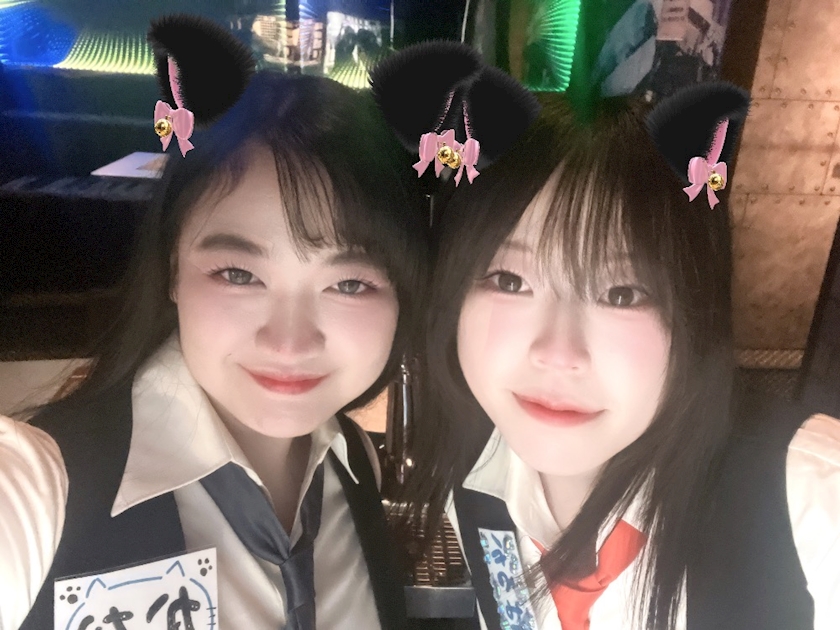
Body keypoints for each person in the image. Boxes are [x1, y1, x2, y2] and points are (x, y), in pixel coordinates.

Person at [378, 52, 840, 628]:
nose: (557, 353)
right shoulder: (475, 473)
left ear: (695, 311)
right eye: (510, 281)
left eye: (622, 293)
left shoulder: (807, 504)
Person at [0, 22, 428, 630]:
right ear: (172, 269)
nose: (288, 341)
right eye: (238, 274)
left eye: (349, 284)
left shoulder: (355, 463)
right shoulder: (41, 488)